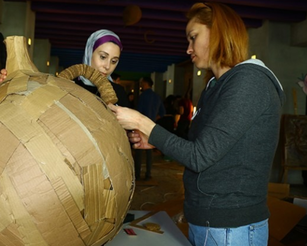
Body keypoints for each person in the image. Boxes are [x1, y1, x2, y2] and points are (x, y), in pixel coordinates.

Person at [108, 2, 285, 246]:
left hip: (230, 226)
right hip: (210, 219)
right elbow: (199, 148)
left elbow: (199, 157)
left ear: (219, 32)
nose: (188, 48)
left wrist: (142, 122)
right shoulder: (215, 86)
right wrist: (154, 140)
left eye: (193, 38)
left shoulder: (249, 81)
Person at [0, 29, 129, 107]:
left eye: (114, 61)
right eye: (103, 57)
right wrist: (7, 86)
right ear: (89, 52)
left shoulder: (118, 94)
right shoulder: (67, 84)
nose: (107, 66)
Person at [134, 77, 165, 180]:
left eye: (142, 83)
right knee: (149, 151)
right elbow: (162, 112)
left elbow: (138, 112)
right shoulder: (157, 96)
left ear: (146, 83)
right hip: (152, 126)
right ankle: (148, 174)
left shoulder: (142, 96)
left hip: (141, 126)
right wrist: (153, 119)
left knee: (138, 150)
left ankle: (137, 174)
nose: (141, 85)